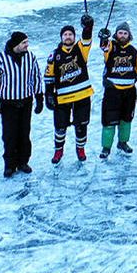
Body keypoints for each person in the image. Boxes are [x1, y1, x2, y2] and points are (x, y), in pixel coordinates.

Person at [0, 30, 44, 177]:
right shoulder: (0, 59)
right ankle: (10, 165)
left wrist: (39, 98)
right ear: (16, 44)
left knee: (24, 133)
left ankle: (23, 162)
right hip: (8, 104)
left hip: (26, 102)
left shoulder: (30, 57)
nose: (27, 45)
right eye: (24, 43)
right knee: (10, 135)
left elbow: (36, 77)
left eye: (27, 42)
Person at [46, 15, 96, 164]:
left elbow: (86, 38)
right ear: (61, 37)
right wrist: (48, 94)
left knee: (81, 126)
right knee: (60, 127)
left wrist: (88, 27)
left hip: (82, 95)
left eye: (70, 34)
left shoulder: (80, 49)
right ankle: (58, 151)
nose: (68, 37)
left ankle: (80, 149)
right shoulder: (54, 55)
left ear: (74, 37)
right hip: (62, 98)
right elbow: (49, 76)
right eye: (65, 34)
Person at [97, 21, 137, 159]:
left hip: (129, 92)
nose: (123, 35)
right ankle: (106, 147)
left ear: (129, 35)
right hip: (112, 91)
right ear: (116, 34)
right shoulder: (111, 46)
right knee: (109, 120)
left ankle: (123, 142)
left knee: (126, 119)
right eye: (120, 33)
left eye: (125, 33)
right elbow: (103, 45)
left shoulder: (134, 52)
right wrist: (103, 37)